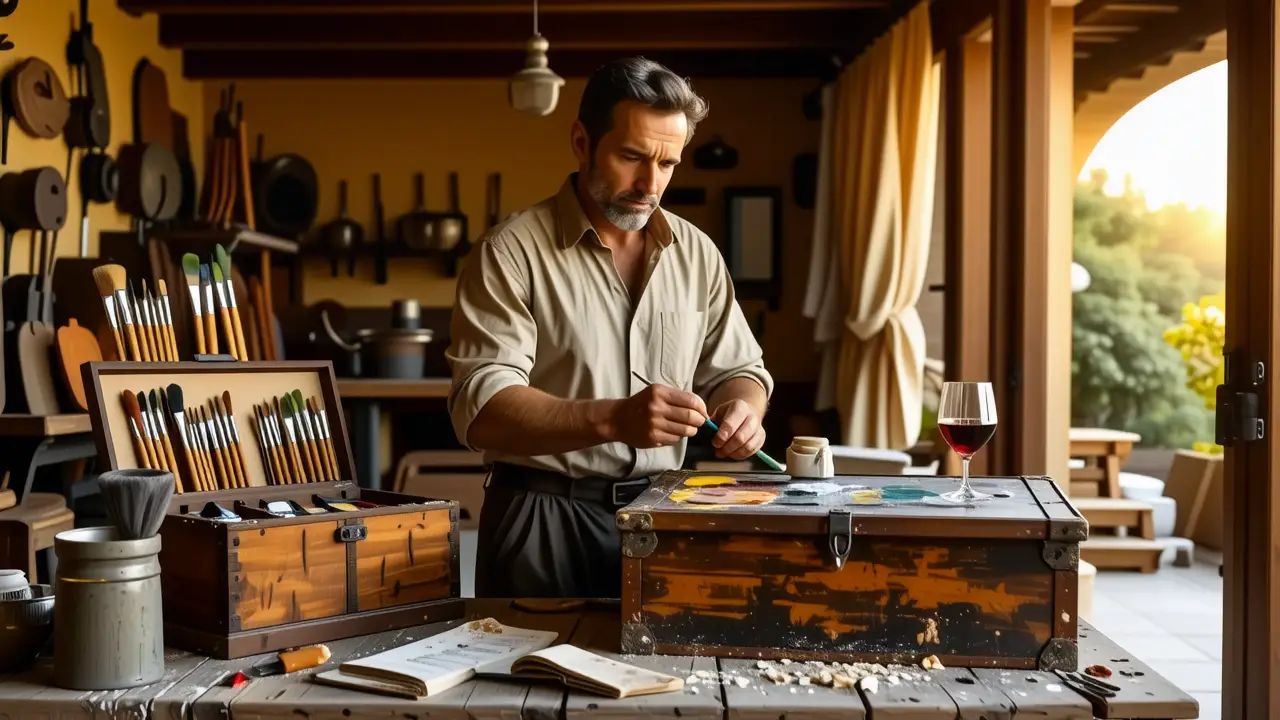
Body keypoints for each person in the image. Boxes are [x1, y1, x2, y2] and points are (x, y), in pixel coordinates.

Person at [446, 56, 774, 599]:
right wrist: (615, 418)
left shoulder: (697, 254)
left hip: (664, 512)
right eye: (631, 157)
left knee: (662, 681)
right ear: (581, 141)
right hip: (539, 519)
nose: (651, 184)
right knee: (519, 681)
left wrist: (745, 410)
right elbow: (480, 408)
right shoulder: (510, 252)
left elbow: (740, 370)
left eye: (668, 163)